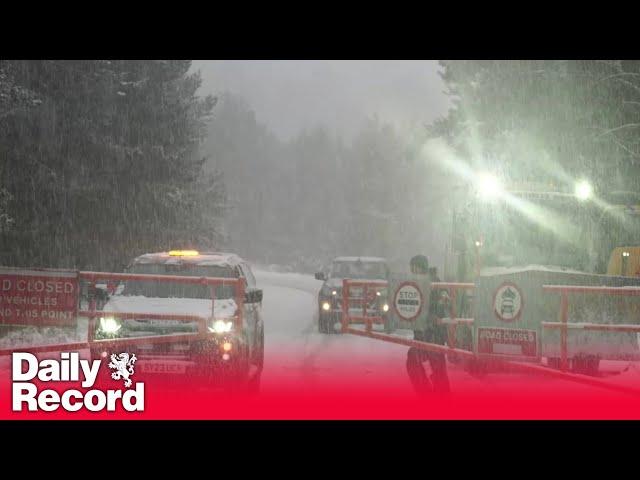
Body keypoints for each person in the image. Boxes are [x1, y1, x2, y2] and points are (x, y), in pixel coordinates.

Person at [405, 255, 451, 396]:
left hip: (434, 333)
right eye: (411, 268)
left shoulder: (435, 283)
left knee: (436, 366)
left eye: (416, 267)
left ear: (422, 268)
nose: (413, 271)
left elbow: (444, 301)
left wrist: (433, 315)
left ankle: (441, 397)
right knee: (414, 360)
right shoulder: (414, 284)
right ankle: (428, 394)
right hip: (421, 333)